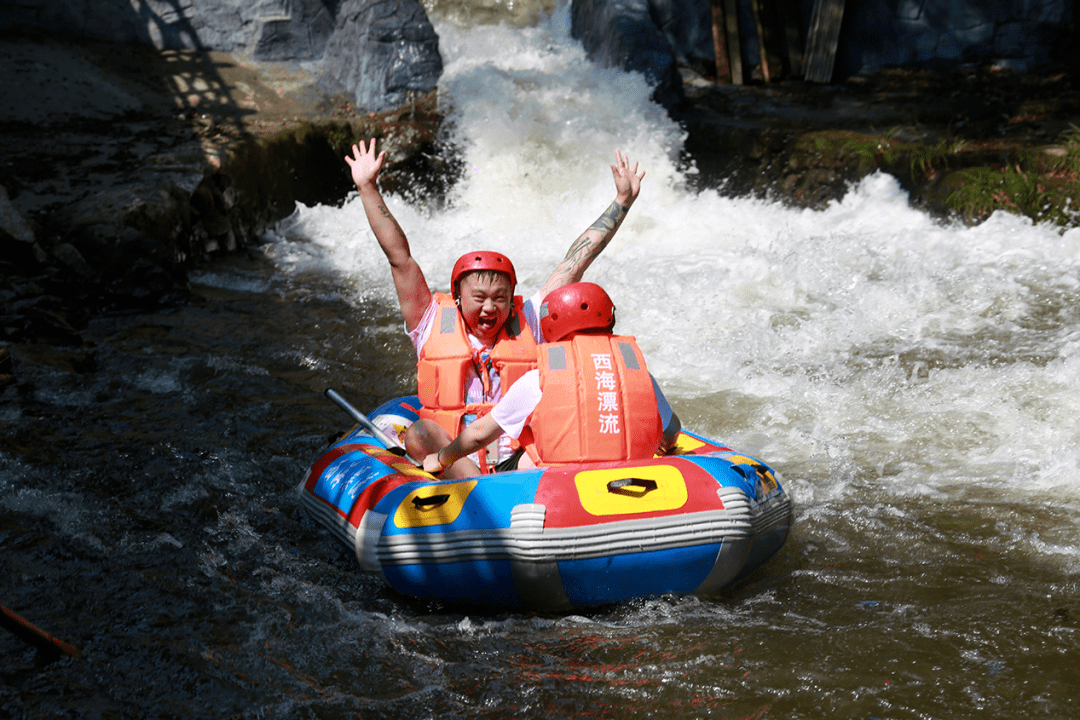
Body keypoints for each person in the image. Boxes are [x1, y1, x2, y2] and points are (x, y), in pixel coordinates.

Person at [345, 139, 646, 475]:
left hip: (520, 463)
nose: (490, 308)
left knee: (544, 453)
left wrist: (622, 201)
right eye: (479, 298)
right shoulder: (429, 319)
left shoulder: (530, 318)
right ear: (458, 297)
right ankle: (476, 496)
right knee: (419, 433)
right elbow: (399, 258)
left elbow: (574, 263)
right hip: (457, 460)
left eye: (500, 298)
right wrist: (368, 187)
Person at [422, 282, 681, 478]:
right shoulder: (638, 374)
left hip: (561, 486)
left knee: (530, 440)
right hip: (634, 478)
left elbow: (479, 435)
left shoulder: (538, 380)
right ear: (609, 319)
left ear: (550, 326)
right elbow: (671, 432)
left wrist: (442, 458)